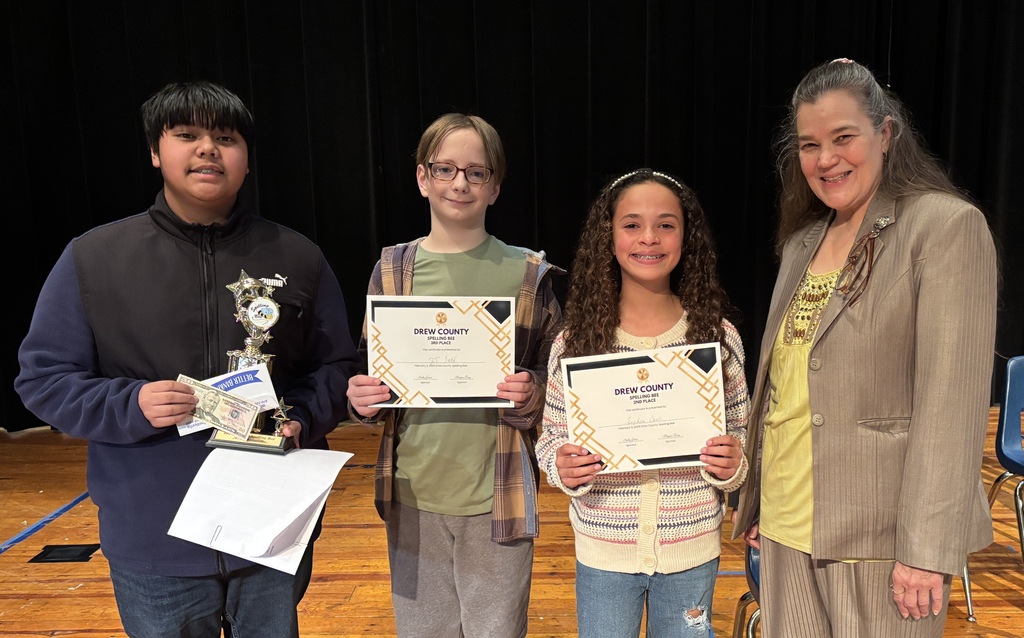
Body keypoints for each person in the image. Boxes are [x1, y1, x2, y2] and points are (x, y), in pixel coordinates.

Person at [15, 81, 360, 638]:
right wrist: (131, 403)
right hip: (153, 535)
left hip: (272, 528)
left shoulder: (298, 256)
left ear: (246, 158)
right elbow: (44, 380)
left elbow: (335, 367)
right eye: (186, 134)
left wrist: (301, 414)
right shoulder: (93, 258)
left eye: (225, 138)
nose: (207, 149)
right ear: (156, 151)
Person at [732, 58, 998, 637]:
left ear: (885, 133)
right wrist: (759, 502)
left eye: (843, 137)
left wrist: (926, 548)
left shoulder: (945, 226)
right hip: (785, 526)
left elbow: (952, 404)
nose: (825, 159)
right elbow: (782, 388)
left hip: (883, 539)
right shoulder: (802, 241)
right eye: (810, 145)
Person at [345, 113, 563, 638]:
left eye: (476, 172)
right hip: (412, 494)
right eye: (445, 169)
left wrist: (533, 391)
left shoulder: (528, 273)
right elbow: (370, 372)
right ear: (423, 178)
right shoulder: (392, 270)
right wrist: (362, 399)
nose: (459, 183)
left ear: (494, 187)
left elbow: (558, 377)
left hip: (498, 496)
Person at [536, 168, 750, 637]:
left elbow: (743, 439)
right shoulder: (576, 344)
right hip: (604, 549)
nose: (649, 237)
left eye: (666, 225)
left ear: (686, 237)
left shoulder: (716, 338)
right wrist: (562, 466)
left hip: (691, 547)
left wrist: (733, 464)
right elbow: (551, 439)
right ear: (608, 237)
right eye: (632, 224)